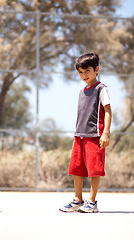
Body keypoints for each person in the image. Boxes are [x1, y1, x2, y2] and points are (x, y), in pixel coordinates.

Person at [59, 52, 112, 213]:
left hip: (95, 136)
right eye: (80, 72)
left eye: (87, 71)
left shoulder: (101, 89)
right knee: (77, 168)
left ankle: (92, 202)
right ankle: (77, 199)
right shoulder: (82, 91)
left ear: (96, 70)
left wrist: (106, 133)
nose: (83, 75)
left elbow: (108, 111)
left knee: (94, 169)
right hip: (79, 135)